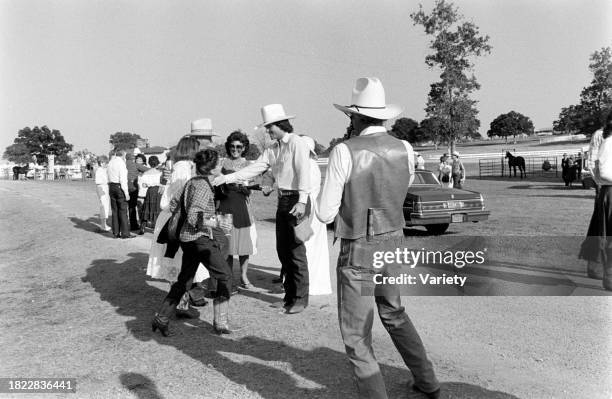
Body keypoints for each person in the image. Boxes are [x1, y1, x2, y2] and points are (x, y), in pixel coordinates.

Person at [317, 77, 440, 399]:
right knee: (394, 313)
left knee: (357, 336)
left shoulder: (344, 151)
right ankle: (428, 382)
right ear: (383, 115)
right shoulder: (406, 148)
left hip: (359, 246)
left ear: (354, 116)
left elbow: (325, 213)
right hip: (394, 241)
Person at [213, 104, 311, 314]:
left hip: (297, 200)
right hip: (283, 199)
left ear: (280, 124)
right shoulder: (272, 149)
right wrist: (225, 178)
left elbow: (304, 173)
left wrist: (302, 201)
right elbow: (253, 169)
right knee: (283, 251)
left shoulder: (297, 143)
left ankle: (301, 299)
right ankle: (289, 297)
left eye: (270, 127)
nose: (268, 131)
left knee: (296, 252)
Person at [152, 148, 240, 336]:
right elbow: (194, 217)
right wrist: (216, 221)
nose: (220, 165)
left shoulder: (192, 181)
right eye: (218, 163)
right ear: (212, 167)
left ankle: (162, 317)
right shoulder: (202, 186)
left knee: (184, 280)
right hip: (199, 239)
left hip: (187, 239)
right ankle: (220, 322)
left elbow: (174, 203)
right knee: (225, 275)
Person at [147, 135, 209, 318]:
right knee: (181, 263)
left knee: (180, 262)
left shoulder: (180, 167)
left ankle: (182, 302)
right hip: (176, 218)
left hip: (172, 217)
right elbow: (183, 196)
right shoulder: (184, 168)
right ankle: (180, 306)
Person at [216, 131, 258, 289]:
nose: (235, 149)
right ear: (228, 146)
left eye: (239, 146)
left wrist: (245, 186)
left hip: (241, 207)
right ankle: (227, 278)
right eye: (232, 146)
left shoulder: (249, 165)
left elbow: (251, 189)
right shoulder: (221, 163)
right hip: (225, 207)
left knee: (243, 246)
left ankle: (244, 276)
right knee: (226, 245)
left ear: (244, 147)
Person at [297, 135, 332, 296]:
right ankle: (309, 282)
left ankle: (306, 283)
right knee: (312, 247)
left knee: (306, 247)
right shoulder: (310, 165)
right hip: (312, 210)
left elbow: (306, 193)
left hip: (308, 210)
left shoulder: (309, 167)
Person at [579, 113, 611, 286]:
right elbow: (592, 161)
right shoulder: (600, 135)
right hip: (606, 187)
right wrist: (599, 184)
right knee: (600, 226)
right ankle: (596, 265)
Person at [107, 150, 133, 239]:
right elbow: (123, 179)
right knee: (122, 210)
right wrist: (126, 193)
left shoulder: (110, 162)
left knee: (114, 210)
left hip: (111, 186)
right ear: (123, 155)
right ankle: (125, 233)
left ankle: (116, 232)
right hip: (119, 187)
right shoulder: (121, 164)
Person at [138, 155, 162, 235]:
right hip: (157, 191)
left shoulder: (146, 173)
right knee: (156, 208)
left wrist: (147, 185)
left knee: (147, 208)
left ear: (149, 163)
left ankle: (142, 228)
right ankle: (156, 228)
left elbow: (143, 185)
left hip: (150, 191)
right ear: (157, 163)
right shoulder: (160, 173)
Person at [95, 155, 111, 232]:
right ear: (101, 163)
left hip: (104, 187)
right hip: (102, 188)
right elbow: (98, 181)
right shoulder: (99, 170)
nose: (106, 164)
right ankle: (103, 225)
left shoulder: (103, 170)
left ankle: (104, 224)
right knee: (104, 206)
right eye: (105, 163)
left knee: (105, 206)